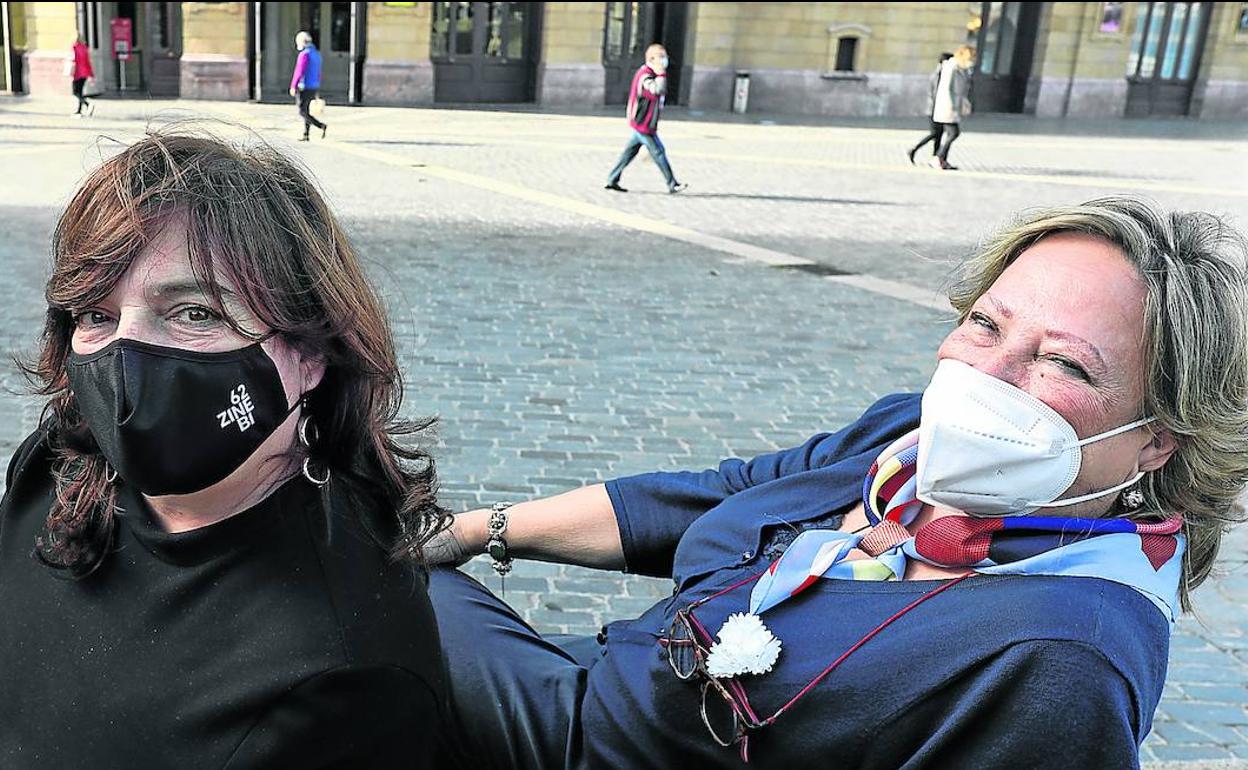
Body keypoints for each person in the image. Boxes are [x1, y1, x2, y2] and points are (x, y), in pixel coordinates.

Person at [425, 196, 1248, 769]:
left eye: (1063, 363)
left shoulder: (1063, 661)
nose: (986, 375)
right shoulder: (908, 444)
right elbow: (713, 495)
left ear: (1156, 442)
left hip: (579, 745)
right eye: (985, 323)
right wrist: (471, 530)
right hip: (584, 685)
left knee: (337, 565)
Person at [0, 131, 450, 768]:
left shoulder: (349, 668)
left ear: (310, 351)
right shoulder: (53, 465)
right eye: (96, 315)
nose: (125, 359)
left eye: (193, 313)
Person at [605, 43, 687, 195]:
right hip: (643, 123)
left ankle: (612, 179)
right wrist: (661, 74)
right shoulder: (646, 75)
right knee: (659, 151)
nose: (665, 60)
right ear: (651, 58)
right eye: (661, 57)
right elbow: (657, 90)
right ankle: (672, 183)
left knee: (629, 153)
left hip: (642, 122)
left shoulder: (649, 73)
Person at [930, 45, 975, 170]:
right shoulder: (951, 67)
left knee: (951, 133)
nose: (971, 60)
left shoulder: (961, 68)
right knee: (954, 133)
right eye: (970, 57)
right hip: (947, 106)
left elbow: (964, 88)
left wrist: (965, 102)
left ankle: (942, 159)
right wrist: (953, 106)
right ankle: (938, 158)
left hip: (954, 105)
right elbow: (947, 89)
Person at [906, 52, 954, 165]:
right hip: (936, 109)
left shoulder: (939, 73)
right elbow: (937, 94)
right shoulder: (940, 75)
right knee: (936, 134)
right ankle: (914, 149)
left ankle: (935, 159)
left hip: (935, 108)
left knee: (938, 134)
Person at [290, 31, 328, 142]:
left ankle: (321, 125)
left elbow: (299, 71)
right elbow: (319, 72)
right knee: (307, 110)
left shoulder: (304, 54)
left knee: (302, 111)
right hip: (314, 86)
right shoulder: (317, 54)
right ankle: (306, 134)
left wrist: (293, 85)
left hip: (304, 86)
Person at [65, 35, 94, 117]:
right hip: (85, 73)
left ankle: (88, 104)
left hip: (78, 73)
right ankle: (79, 110)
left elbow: (73, 59)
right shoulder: (84, 48)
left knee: (75, 92)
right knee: (80, 92)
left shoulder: (74, 48)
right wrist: (91, 74)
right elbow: (88, 62)